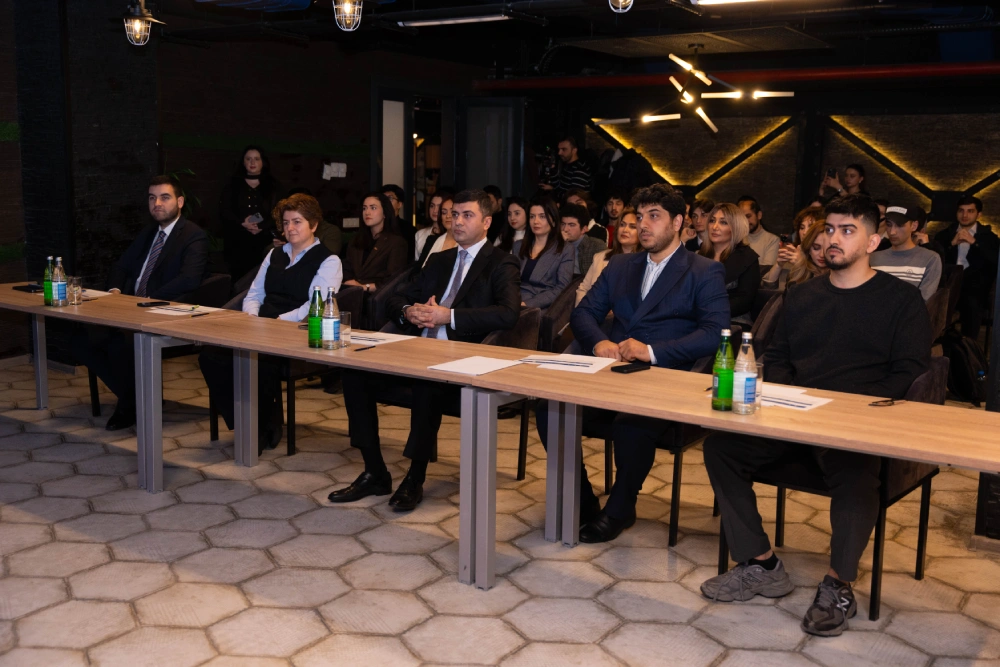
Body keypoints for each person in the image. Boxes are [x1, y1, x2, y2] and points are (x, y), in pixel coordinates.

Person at [701, 193, 931, 638]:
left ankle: (838, 584)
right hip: (796, 418)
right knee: (721, 448)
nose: (833, 238)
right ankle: (762, 564)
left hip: (854, 424)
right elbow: (779, 356)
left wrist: (845, 410)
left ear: (873, 242)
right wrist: (793, 399)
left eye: (848, 231)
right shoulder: (802, 295)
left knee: (858, 475)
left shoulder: (901, 300)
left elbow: (909, 372)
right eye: (829, 229)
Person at [536, 183, 729, 541]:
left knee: (631, 422)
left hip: (664, 378)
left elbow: (714, 333)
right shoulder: (621, 265)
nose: (643, 225)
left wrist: (652, 351)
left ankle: (620, 508)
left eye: (654, 216)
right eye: (640, 216)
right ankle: (582, 500)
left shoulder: (703, 270)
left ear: (678, 222)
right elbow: (583, 314)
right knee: (551, 409)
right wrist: (600, 342)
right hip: (610, 372)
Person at [331, 190, 521, 510]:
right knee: (354, 372)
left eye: (467, 215)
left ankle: (414, 477)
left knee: (426, 382)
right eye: (454, 214)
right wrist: (409, 311)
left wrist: (450, 316)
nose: (457, 221)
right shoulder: (440, 260)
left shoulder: (502, 262)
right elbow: (395, 297)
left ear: (487, 222)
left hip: (463, 357)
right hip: (418, 346)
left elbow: (508, 313)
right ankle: (375, 471)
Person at [199, 193, 342, 453]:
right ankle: (245, 423)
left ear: (313, 224)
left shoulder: (329, 260)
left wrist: (275, 322)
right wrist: (253, 319)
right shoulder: (275, 254)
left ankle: (261, 428)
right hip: (262, 325)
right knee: (210, 356)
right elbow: (254, 294)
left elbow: (314, 306)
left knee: (260, 360)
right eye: (286, 223)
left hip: (297, 330)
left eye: (297, 222)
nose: (290, 228)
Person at [73, 175, 208, 431]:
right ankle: (135, 397)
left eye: (164, 197)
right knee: (81, 340)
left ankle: (129, 405)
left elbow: (189, 279)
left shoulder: (193, 235)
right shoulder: (148, 233)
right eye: (152, 198)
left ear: (180, 202)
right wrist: (115, 291)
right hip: (129, 310)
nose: (157, 203)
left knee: (120, 344)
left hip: (164, 312)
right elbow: (121, 266)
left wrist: (146, 299)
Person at [932, 195, 1000, 339]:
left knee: (973, 304)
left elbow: (994, 261)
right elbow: (934, 259)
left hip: (975, 288)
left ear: (978, 214)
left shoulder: (989, 237)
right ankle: (940, 344)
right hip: (948, 285)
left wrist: (975, 243)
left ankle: (967, 347)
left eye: (970, 211)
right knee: (937, 303)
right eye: (961, 210)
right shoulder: (944, 235)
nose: (964, 215)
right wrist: (951, 244)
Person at [220, 146, 282, 282]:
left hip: (264, 239)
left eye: (256, 159)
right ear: (243, 162)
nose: (252, 162)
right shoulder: (233, 185)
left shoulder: (273, 186)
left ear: (263, 162)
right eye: (248, 159)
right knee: (239, 279)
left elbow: (278, 212)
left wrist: (262, 226)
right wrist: (242, 223)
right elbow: (225, 211)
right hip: (238, 240)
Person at [700, 203, 760, 326]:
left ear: (735, 228)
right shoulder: (699, 256)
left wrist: (709, 311)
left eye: (723, 222)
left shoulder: (747, 258)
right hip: (696, 319)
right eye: (712, 221)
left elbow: (744, 301)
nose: (715, 227)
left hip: (733, 322)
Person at [512, 197, 575, 310]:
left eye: (542, 216)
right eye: (532, 216)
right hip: (514, 300)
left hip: (541, 305)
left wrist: (528, 304)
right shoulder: (518, 245)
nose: (536, 221)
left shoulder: (565, 249)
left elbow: (561, 288)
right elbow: (510, 279)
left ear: (554, 221)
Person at [871, 205, 943, 302]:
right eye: (889, 224)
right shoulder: (873, 258)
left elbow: (924, 302)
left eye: (899, 225)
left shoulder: (930, 259)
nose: (892, 232)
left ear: (914, 226)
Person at [342, 192, 408, 293]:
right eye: (364, 208)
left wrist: (365, 287)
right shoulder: (356, 240)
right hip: (353, 295)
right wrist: (349, 282)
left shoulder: (396, 243)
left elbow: (393, 280)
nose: (367, 212)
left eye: (373, 208)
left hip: (378, 297)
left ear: (385, 213)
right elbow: (346, 268)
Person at [576, 207, 639, 305]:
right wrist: (584, 311)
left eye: (632, 226)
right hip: (591, 311)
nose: (625, 230)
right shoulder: (600, 257)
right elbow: (583, 289)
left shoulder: (646, 262)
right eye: (622, 225)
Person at [762, 206, 824, 288]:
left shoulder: (823, 256)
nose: (805, 232)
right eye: (802, 228)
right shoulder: (794, 253)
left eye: (811, 227)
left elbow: (819, 289)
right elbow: (767, 286)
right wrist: (778, 265)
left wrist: (802, 265)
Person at [560, 203, 608, 277]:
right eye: (563, 224)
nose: (565, 229)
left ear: (584, 229)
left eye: (571, 225)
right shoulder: (555, 245)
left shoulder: (596, 246)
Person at [737, 196, 779, 267]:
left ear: (759, 215)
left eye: (748, 216)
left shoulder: (772, 240)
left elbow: (766, 270)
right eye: (742, 217)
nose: (745, 221)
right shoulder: (737, 238)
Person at [382, 184, 416, 261]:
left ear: (399, 204)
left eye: (390, 198)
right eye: (383, 199)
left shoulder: (408, 229)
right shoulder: (376, 226)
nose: (385, 202)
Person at [421, 196, 457, 267]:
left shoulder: (467, 244)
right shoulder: (431, 240)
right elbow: (418, 269)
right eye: (444, 212)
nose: (448, 216)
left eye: (452, 212)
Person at [415, 192, 446, 261]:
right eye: (432, 206)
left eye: (439, 206)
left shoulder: (452, 235)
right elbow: (417, 261)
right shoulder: (420, 234)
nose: (435, 210)